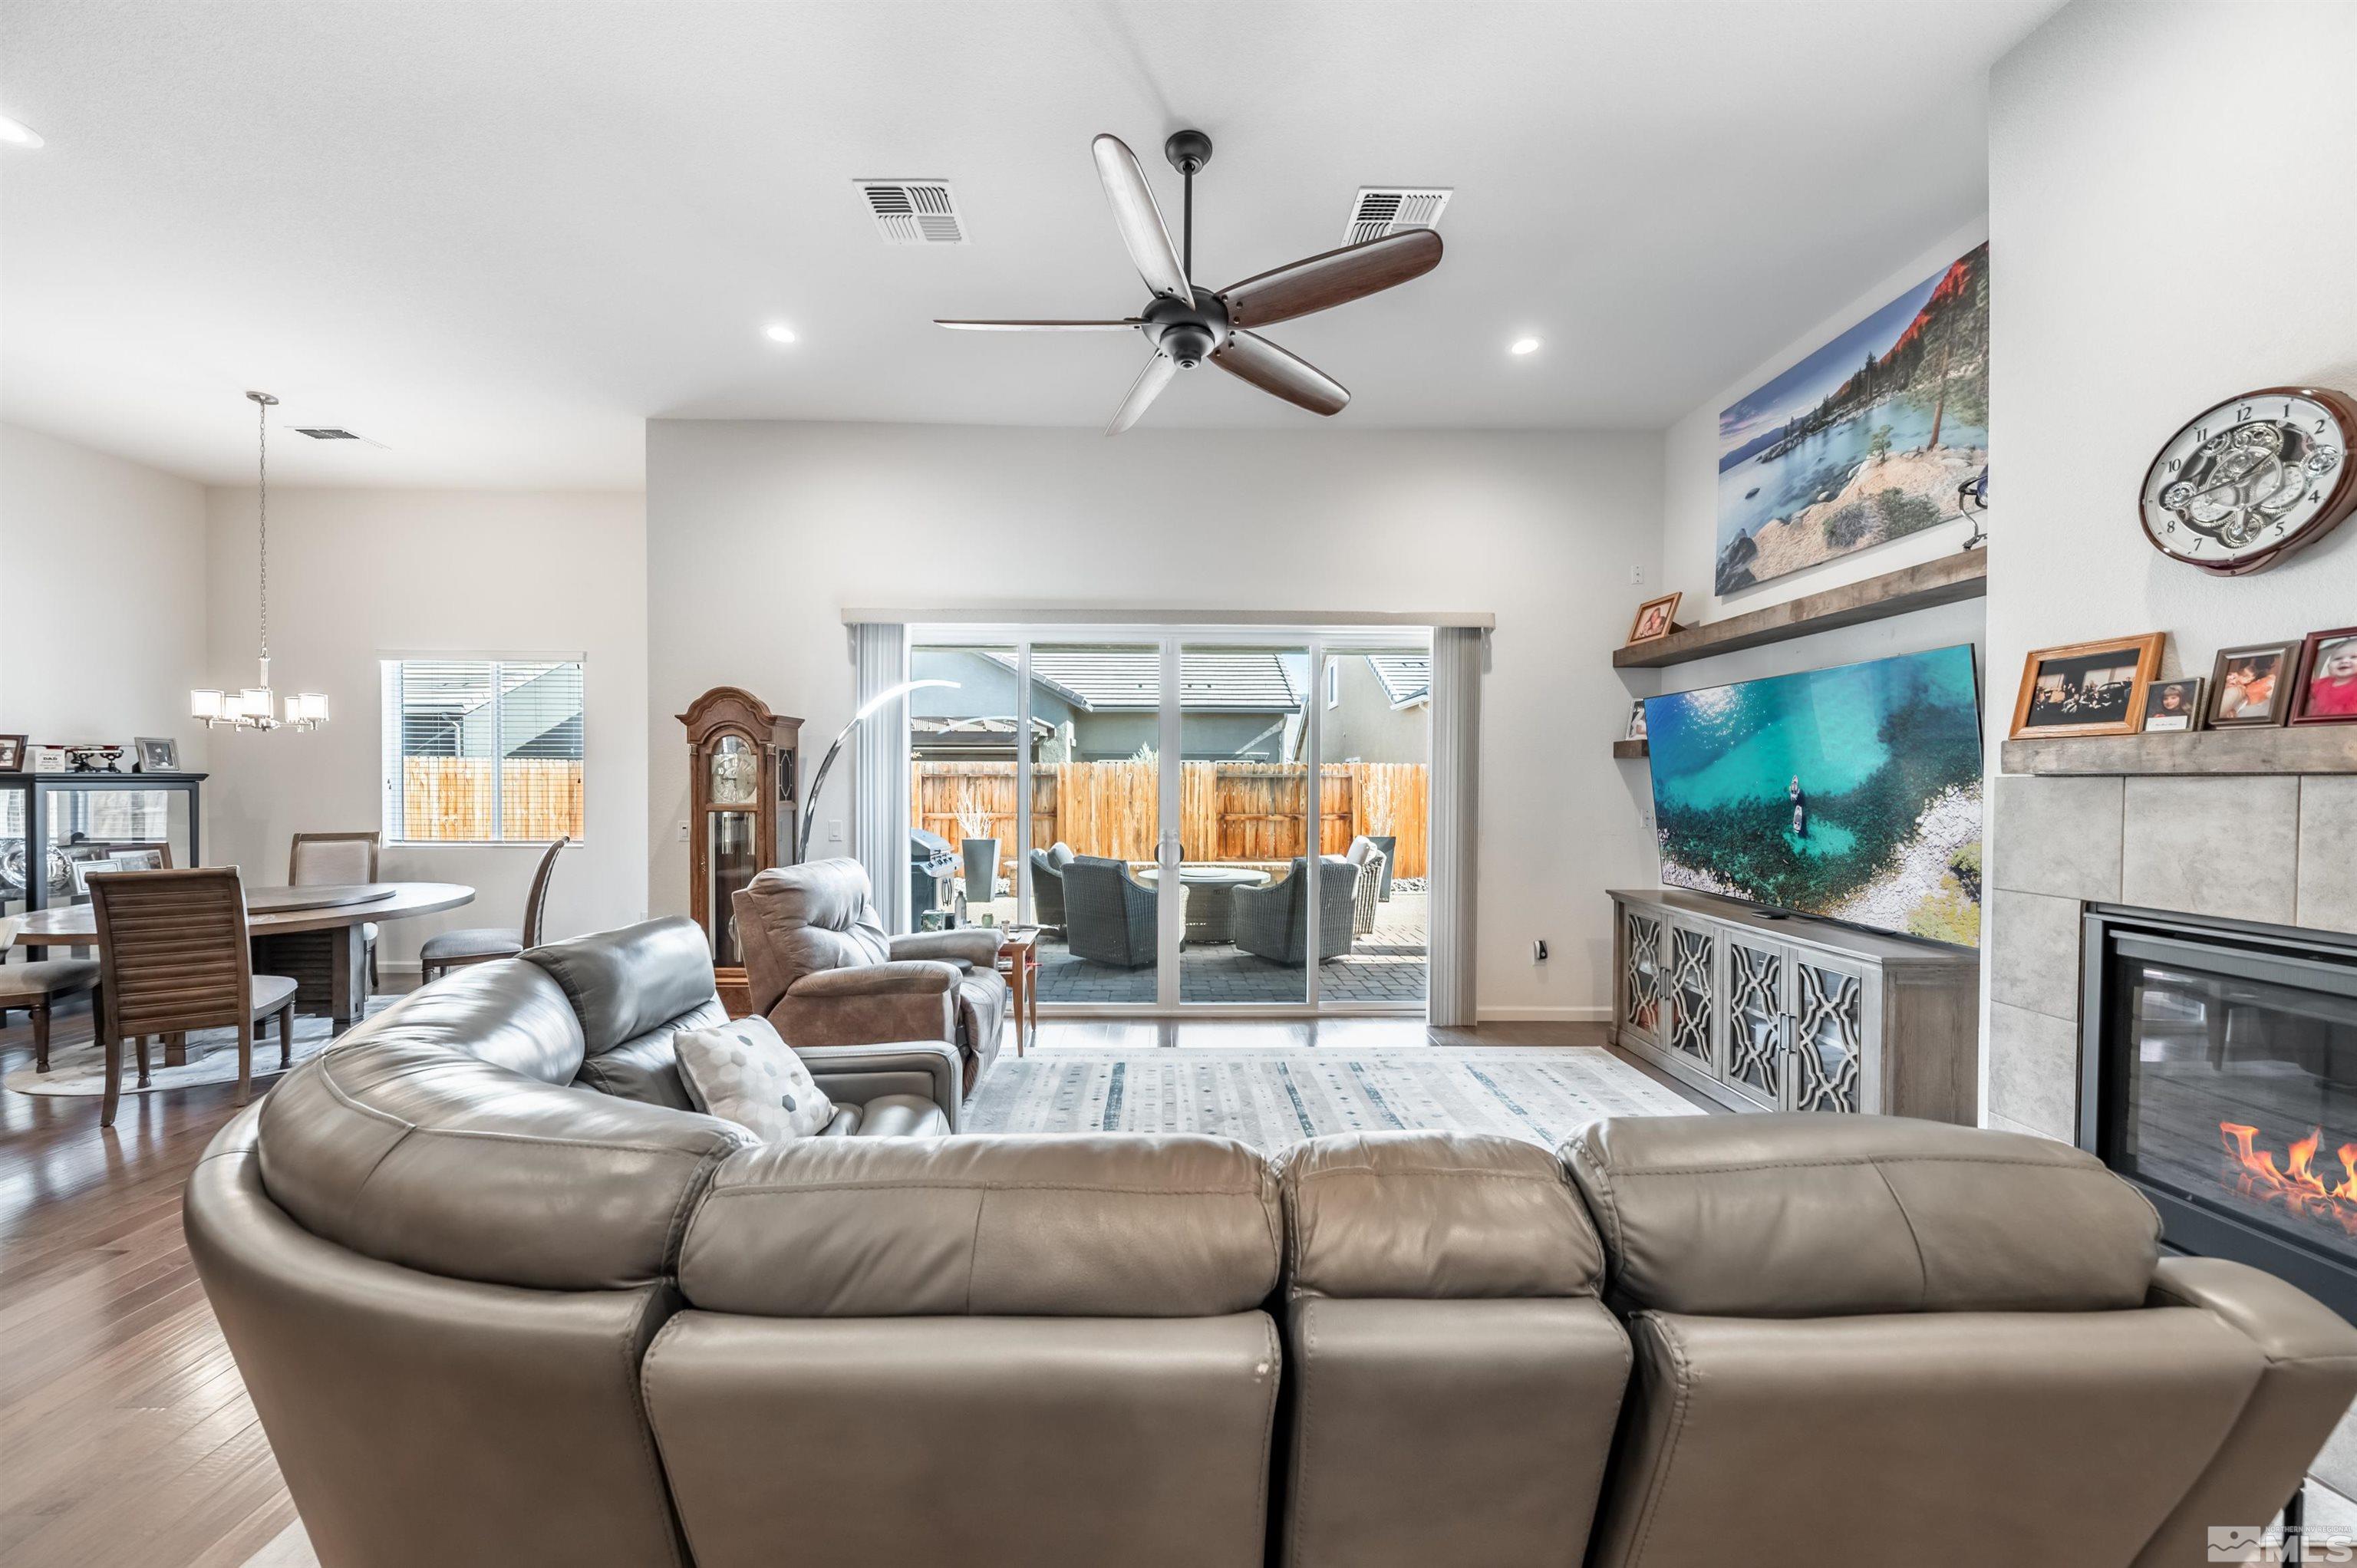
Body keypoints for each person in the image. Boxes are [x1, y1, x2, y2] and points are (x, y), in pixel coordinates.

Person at [2306, 641, 2357, 718]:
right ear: (2329, 666)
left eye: (2354, 657)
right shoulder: (2318, 685)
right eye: (2338, 659)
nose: (2344, 661)